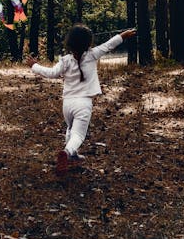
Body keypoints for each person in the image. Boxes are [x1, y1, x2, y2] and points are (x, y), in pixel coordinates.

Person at [25, 24, 137, 176]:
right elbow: (109, 45)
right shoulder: (92, 54)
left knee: (71, 128)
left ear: (69, 42)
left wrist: (35, 66)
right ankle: (67, 151)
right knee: (78, 134)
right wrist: (124, 35)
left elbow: (50, 73)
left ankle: (72, 154)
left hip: (67, 103)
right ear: (88, 43)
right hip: (83, 103)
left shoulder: (65, 60)